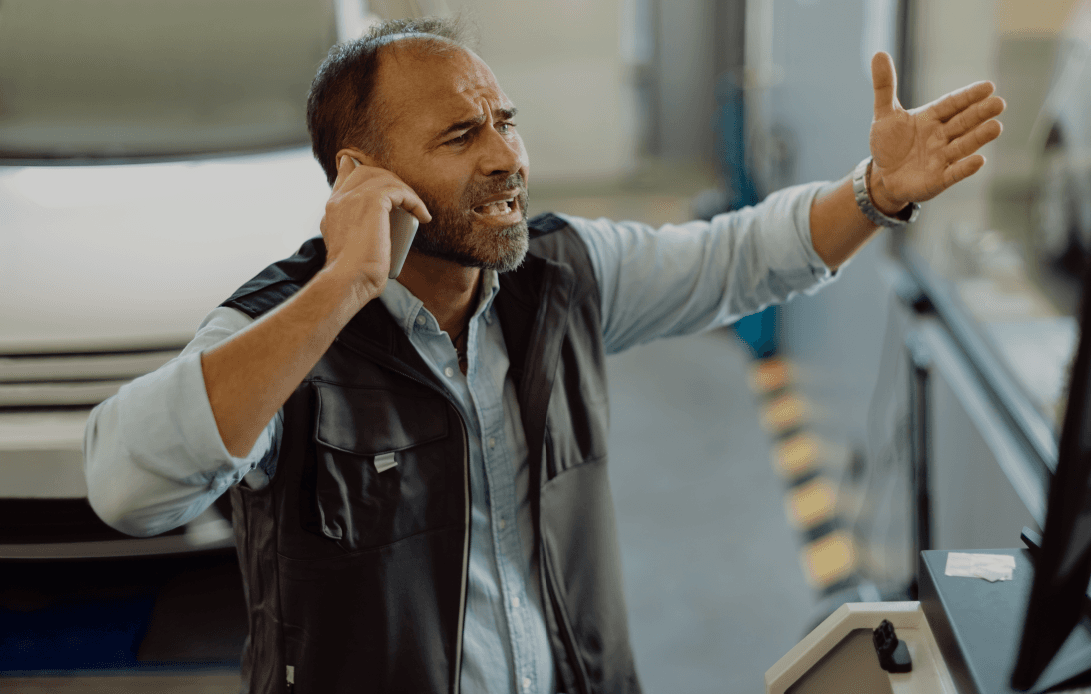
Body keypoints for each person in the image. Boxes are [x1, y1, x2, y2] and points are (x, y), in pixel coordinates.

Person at [83, 16, 1005, 694]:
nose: (507, 158)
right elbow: (128, 488)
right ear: (360, 174)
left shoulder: (556, 275)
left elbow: (736, 258)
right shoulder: (282, 326)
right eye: (461, 135)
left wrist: (875, 193)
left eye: (505, 121)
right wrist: (343, 287)